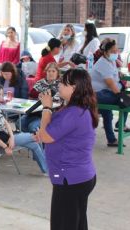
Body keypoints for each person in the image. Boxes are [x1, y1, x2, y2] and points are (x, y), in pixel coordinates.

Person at [38, 68, 97, 230]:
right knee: (76, 223)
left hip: (70, 178)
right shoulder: (78, 109)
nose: (59, 85)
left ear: (75, 88)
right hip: (79, 176)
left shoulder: (74, 112)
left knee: (63, 224)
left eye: (64, 83)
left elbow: (46, 136)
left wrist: (46, 108)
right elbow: (56, 133)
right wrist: (44, 132)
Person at [0, 83, 47, 173]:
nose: (3, 96)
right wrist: (5, 147)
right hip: (3, 140)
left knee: (34, 145)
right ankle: (47, 168)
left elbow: (6, 123)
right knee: (35, 137)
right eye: (1, 94)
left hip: (9, 137)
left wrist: (12, 137)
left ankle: (46, 170)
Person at [90, 39, 130, 147]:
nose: (116, 53)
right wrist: (122, 96)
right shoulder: (102, 63)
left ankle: (112, 139)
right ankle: (119, 126)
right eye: (113, 51)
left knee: (107, 113)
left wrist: (118, 73)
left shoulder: (110, 61)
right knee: (127, 100)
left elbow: (112, 73)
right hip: (97, 94)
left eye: (116, 50)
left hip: (105, 93)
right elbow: (111, 84)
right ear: (105, 52)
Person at [21, 62, 61, 133]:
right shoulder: (41, 82)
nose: (51, 73)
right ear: (46, 72)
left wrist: (45, 96)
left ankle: (38, 141)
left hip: (51, 113)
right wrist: (39, 94)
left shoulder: (60, 84)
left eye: (53, 71)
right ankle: (31, 140)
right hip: (36, 111)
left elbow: (58, 98)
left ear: (57, 73)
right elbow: (32, 93)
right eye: (49, 71)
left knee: (33, 127)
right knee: (20, 122)